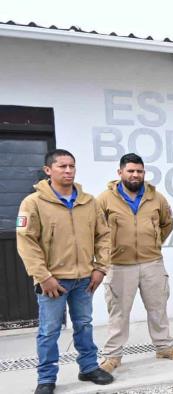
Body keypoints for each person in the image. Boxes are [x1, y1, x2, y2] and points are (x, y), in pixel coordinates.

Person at [16, 149, 113, 394]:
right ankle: (46, 378)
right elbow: (26, 242)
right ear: (48, 170)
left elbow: (103, 236)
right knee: (49, 331)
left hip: (84, 279)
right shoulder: (33, 203)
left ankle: (89, 367)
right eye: (62, 166)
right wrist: (43, 277)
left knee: (84, 324)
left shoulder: (88, 201)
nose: (68, 170)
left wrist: (100, 268)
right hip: (53, 281)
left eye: (72, 166)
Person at [97, 153, 173, 373]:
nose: (135, 175)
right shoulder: (104, 199)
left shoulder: (156, 197)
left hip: (152, 263)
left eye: (139, 171)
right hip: (119, 265)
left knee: (158, 308)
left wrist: (153, 244)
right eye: (131, 171)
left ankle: (164, 347)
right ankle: (112, 356)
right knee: (118, 313)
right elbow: (97, 231)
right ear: (120, 173)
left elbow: (167, 224)